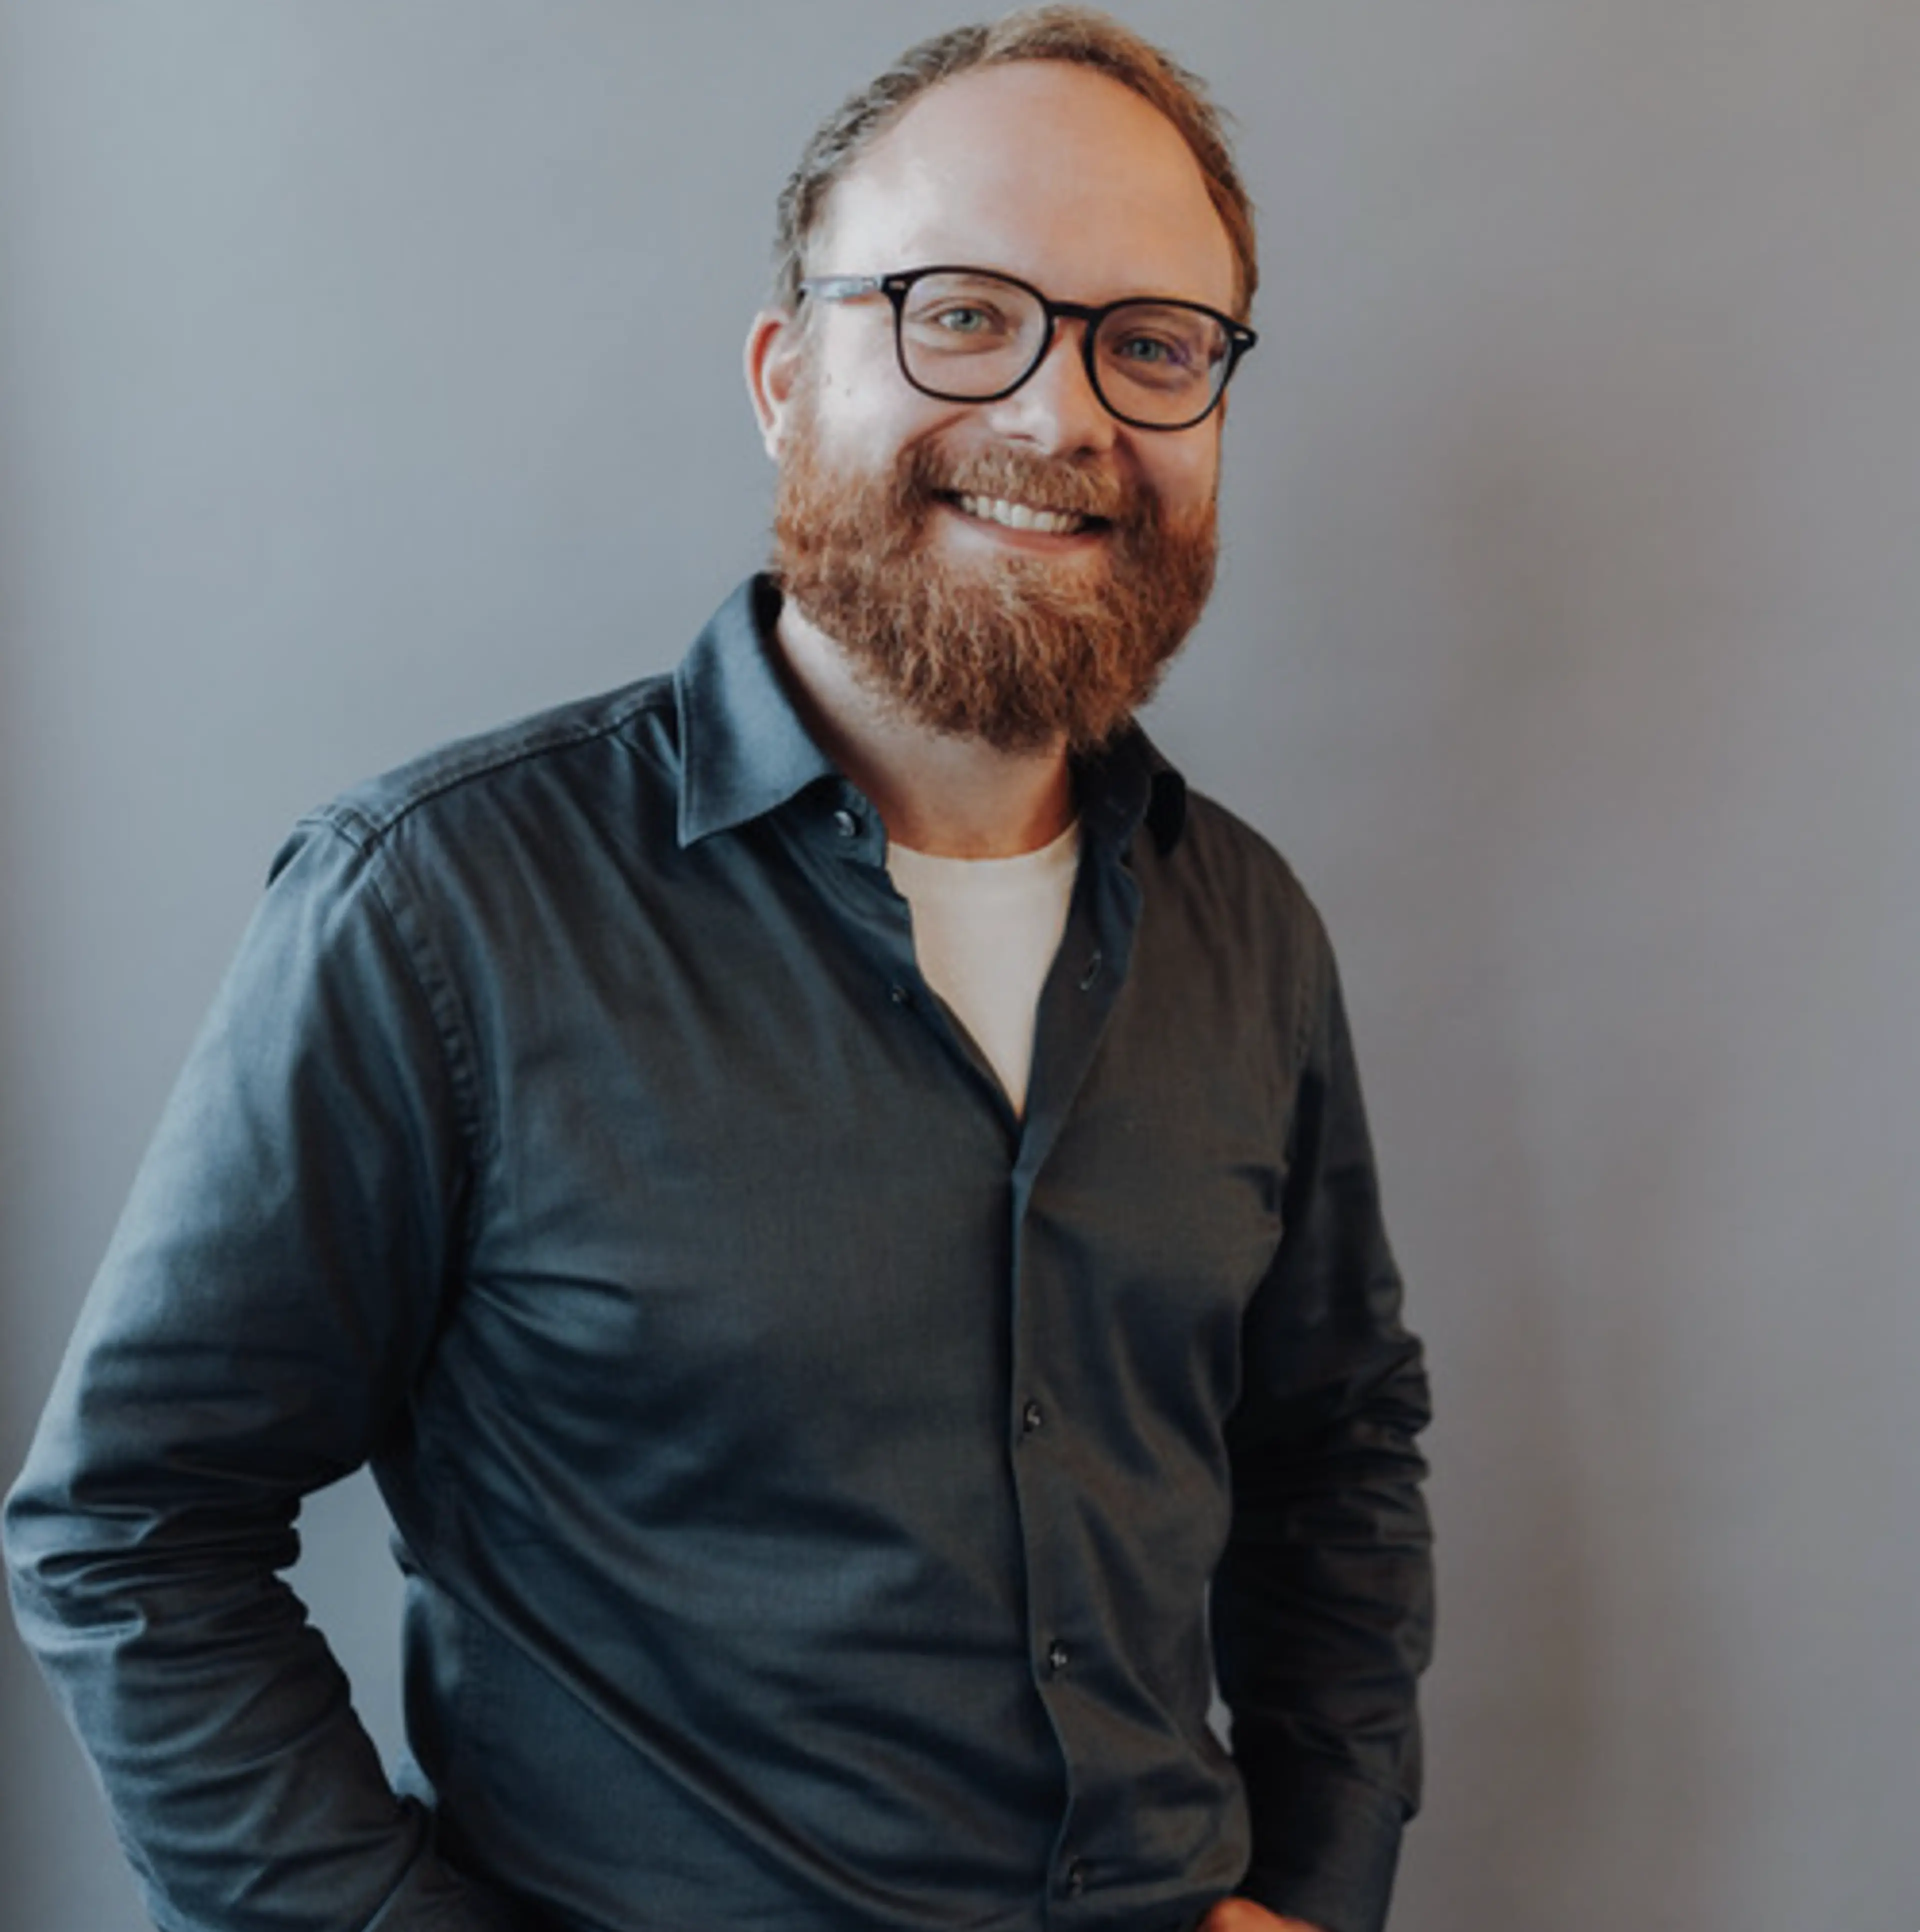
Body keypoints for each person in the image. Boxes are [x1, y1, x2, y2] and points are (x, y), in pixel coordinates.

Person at [4, 11, 1433, 1932]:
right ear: (783, 378)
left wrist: (1322, 1890)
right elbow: (130, 1529)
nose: (1062, 416)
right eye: (960, 312)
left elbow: (1332, 1450)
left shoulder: (1245, 924)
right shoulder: (436, 910)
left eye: (1151, 344)